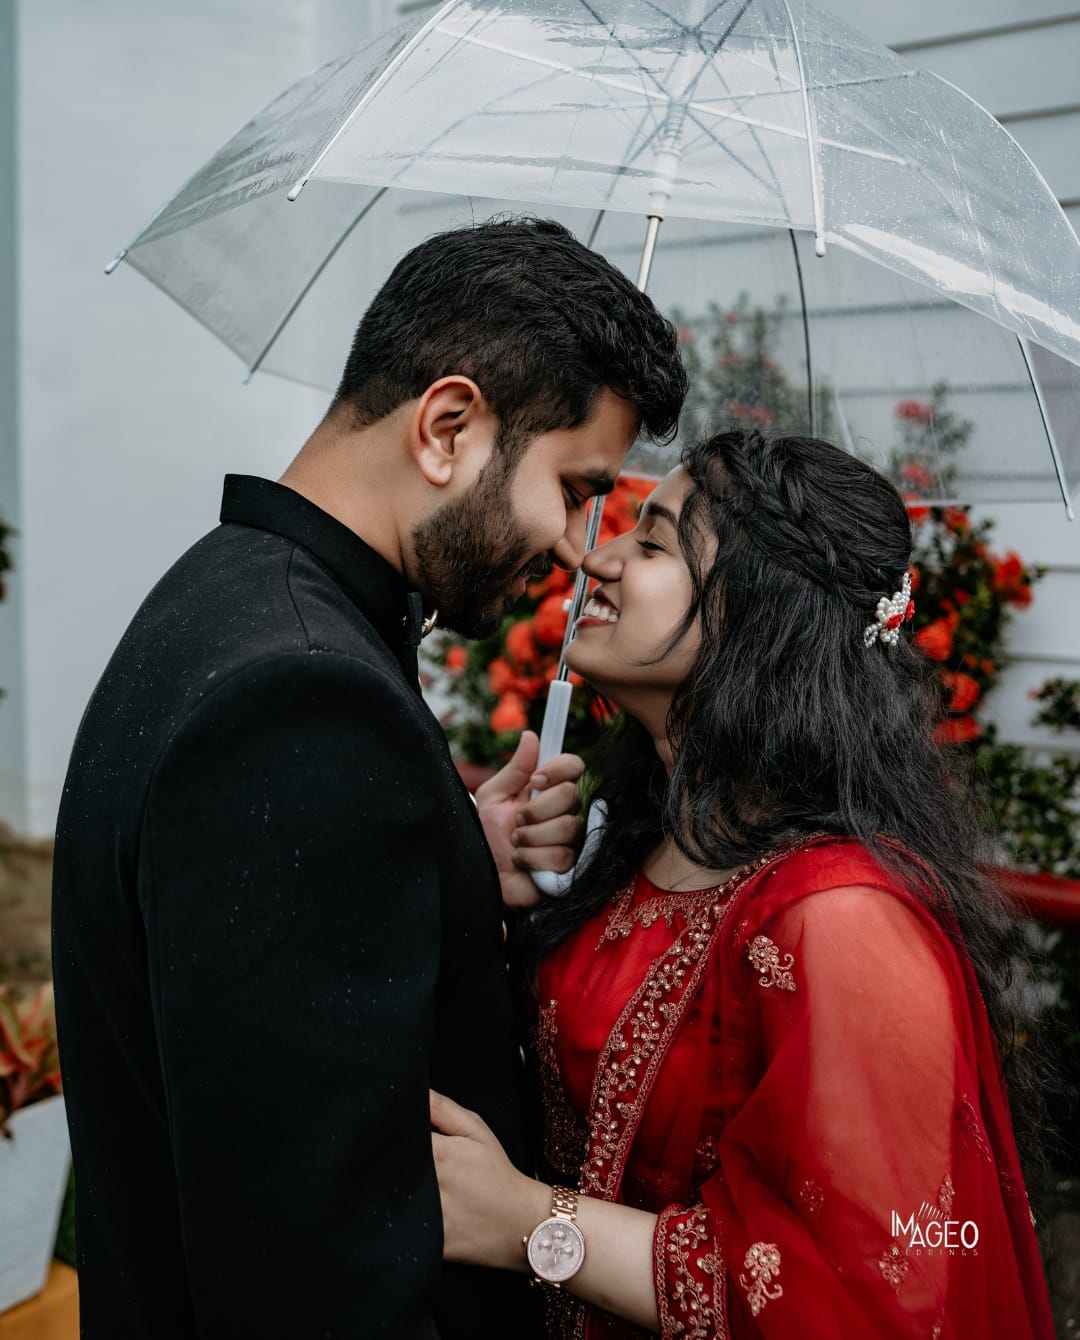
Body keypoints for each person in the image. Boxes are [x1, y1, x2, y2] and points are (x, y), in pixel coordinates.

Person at [50, 216, 688, 1339]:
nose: (576, 545)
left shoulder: (230, 592)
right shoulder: (303, 699)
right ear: (448, 426)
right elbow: (316, 1270)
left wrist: (449, 859)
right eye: (574, 485)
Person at [429, 428, 1059, 1338]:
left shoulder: (844, 917)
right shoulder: (644, 839)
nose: (595, 558)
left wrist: (532, 1222)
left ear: (754, 617)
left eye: (652, 544)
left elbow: (855, 1287)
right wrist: (493, 896)